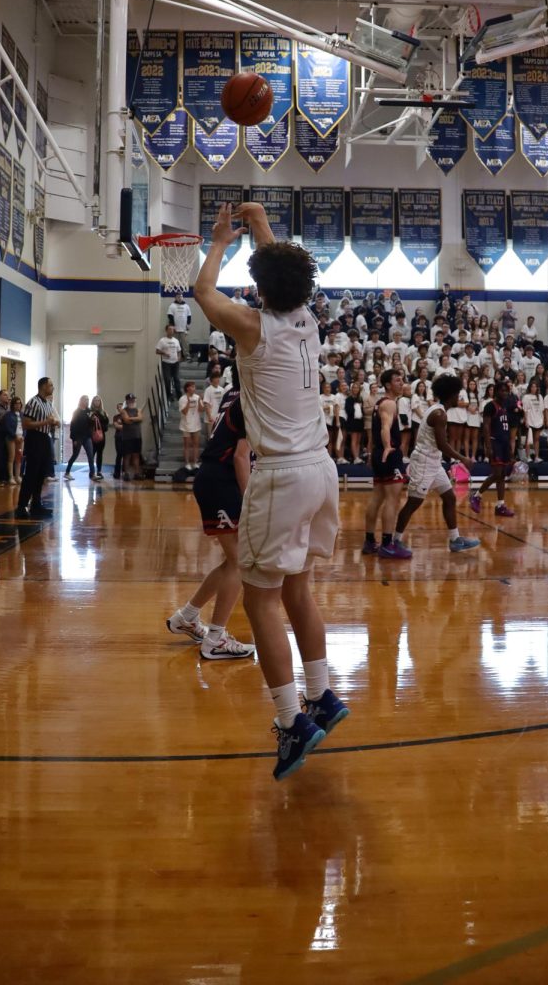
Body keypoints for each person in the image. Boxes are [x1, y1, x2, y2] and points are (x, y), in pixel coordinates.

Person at [192, 200, 348, 781]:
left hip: (281, 473)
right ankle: (322, 694)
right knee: (298, 589)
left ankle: (289, 721)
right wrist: (258, 224)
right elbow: (280, 269)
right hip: (321, 469)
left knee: (260, 597)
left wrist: (218, 241)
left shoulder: (254, 326)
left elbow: (205, 294)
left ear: (260, 288)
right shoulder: (306, 317)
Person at [167, 368, 255, 660]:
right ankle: (215, 637)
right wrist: (251, 500)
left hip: (214, 478)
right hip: (222, 480)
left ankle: (188, 616)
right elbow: (241, 457)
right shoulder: (250, 401)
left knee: (233, 562)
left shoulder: (233, 393)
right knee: (240, 562)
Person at [392, 375, 480, 556]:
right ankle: (395, 540)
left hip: (433, 461)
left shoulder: (438, 409)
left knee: (449, 498)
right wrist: (463, 458)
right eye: (458, 395)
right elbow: (442, 444)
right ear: (451, 395)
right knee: (413, 503)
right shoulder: (439, 414)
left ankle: (455, 540)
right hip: (424, 462)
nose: (460, 398)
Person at [363, 368, 411, 559]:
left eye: (402, 380)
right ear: (388, 385)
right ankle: (387, 544)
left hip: (377, 453)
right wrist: (388, 446)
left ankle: (369, 541)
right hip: (388, 454)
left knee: (377, 497)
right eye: (398, 381)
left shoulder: (379, 403)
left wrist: (372, 452)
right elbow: (385, 426)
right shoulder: (390, 403)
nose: (402, 383)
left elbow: (373, 431)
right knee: (393, 499)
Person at [469, 380, 516, 517]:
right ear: (496, 392)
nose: (505, 393)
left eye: (506, 390)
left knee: (501, 475)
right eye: (502, 390)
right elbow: (486, 427)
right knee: (497, 473)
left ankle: (500, 505)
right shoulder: (490, 406)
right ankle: (476, 496)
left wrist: (510, 449)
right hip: (495, 443)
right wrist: (488, 446)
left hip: (504, 443)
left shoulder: (506, 406)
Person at [16, 378, 59, 518]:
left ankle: (36, 504)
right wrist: (46, 422)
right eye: (50, 385)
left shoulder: (47, 403)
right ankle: (21, 506)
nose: (53, 387)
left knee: (41, 474)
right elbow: (26, 424)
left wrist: (53, 424)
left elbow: (46, 422)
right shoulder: (33, 402)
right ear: (43, 386)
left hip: (45, 437)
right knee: (31, 474)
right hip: (35, 438)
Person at [64, 394, 95, 481]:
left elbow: (91, 424)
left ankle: (92, 474)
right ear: (81, 401)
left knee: (90, 455)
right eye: (85, 399)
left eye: (88, 399)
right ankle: (67, 472)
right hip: (78, 437)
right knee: (75, 455)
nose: (87, 401)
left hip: (87, 437)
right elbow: (73, 426)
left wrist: (92, 420)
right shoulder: (76, 412)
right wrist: (74, 439)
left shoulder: (89, 411)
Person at [118, 393, 144, 481]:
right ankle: (126, 473)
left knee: (136, 455)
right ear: (127, 401)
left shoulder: (138, 409)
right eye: (130, 400)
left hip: (137, 436)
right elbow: (126, 420)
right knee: (127, 456)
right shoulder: (123, 411)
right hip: (127, 437)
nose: (132, 401)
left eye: (134, 399)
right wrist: (135, 419)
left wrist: (131, 418)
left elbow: (140, 418)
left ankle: (137, 473)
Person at [179, 380, 203, 471]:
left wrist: (200, 400)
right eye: (192, 387)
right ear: (187, 388)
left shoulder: (197, 397)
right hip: (186, 425)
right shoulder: (182, 399)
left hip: (196, 424)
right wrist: (188, 402)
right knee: (187, 445)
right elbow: (184, 412)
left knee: (196, 445)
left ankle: (195, 462)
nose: (194, 388)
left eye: (194, 387)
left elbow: (201, 410)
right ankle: (187, 463)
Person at [155, 323, 183, 401]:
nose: (171, 331)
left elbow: (179, 350)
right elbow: (157, 351)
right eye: (170, 329)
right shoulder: (162, 340)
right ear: (166, 330)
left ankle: (179, 395)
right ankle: (169, 395)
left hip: (175, 362)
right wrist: (164, 353)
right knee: (167, 379)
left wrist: (179, 357)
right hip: (166, 362)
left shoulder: (176, 340)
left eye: (172, 329)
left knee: (176, 378)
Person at [2, 396, 24, 484]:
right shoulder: (8, 415)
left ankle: (17, 476)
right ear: (13, 405)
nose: (18, 405)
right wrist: (15, 436)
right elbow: (7, 427)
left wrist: (23, 436)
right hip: (11, 438)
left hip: (21, 438)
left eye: (19, 403)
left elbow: (25, 426)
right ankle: (11, 477)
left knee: (19, 457)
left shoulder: (22, 415)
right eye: (16, 403)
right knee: (12, 457)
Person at [167, 292, 193, 360]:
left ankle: (187, 355)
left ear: (182, 297)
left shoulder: (186, 306)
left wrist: (188, 324)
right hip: (175, 329)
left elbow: (189, 316)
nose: (180, 298)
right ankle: (175, 356)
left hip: (184, 329)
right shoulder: (172, 306)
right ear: (175, 297)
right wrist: (173, 326)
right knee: (175, 343)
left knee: (185, 343)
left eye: (181, 296)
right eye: (178, 296)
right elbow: (170, 316)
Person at [89, 396, 108, 480]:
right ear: (93, 402)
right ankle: (92, 472)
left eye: (98, 401)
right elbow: (88, 423)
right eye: (95, 400)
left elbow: (106, 424)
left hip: (101, 435)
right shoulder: (90, 412)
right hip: (92, 435)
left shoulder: (103, 412)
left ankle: (99, 471)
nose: (97, 402)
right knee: (92, 454)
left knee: (100, 454)